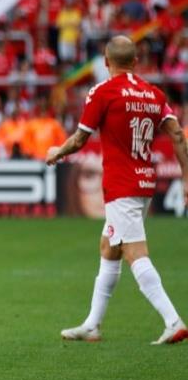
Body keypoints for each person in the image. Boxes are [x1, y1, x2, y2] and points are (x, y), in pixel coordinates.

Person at [46, 35, 188, 344]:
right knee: (109, 246)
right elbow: (177, 134)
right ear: (136, 62)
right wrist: (187, 178)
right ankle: (92, 324)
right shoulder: (154, 94)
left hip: (121, 185)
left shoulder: (103, 92)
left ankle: (173, 319)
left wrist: (57, 151)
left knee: (134, 252)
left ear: (107, 63)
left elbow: (81, 140)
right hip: (145, 182)